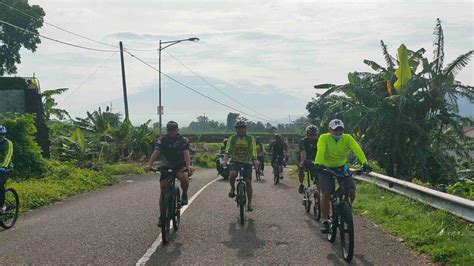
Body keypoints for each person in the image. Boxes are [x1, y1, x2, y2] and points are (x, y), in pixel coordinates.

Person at [314, 119, 371, 232]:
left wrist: (365, 163)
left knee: (351, 191)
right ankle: (325, 220)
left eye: (340, 130)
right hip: (325, 168)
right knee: (326, 193)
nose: (338, 133)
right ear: (330, 130)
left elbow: (357, 149)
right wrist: (318, 164)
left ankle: (344, 212)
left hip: (341, 167)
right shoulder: (324, 138)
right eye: (335, 130)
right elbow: (321, 150)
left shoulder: (347, 138)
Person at [145, 121, 193, 226]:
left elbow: (186, 154)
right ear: (167, 130)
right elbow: (156, 152)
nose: (171, 132)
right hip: (166, 166)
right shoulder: (162, 140)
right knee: (163, 189)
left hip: (180, 165)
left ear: (177, 130)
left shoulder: (183, 140)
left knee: (184, 178)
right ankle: (162, 216)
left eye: (173, 130)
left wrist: (188, 165)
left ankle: (184, 194)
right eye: (169, 130)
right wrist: (149, 164)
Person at [223, 119, 259, 212]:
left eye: (242, 128)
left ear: (245, 129)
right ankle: (232, 188)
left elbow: (253, 149)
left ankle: (249, 203)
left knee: (248, 182)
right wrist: (225, 160)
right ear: (236, 129)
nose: (240, 130)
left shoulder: (250, 138)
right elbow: (227, 150)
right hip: (235, 161)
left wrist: (255, 159)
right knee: (232, 174)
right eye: (238, 128)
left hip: (246, 162)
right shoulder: (232, 138)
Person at [298, 125, 319, 194]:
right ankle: (301, 184)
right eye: (311, 134)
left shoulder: (319, 141)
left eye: (315, 134)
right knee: (301, 169)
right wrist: (303, 161)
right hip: (305, 158)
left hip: (316, 160)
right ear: (307, 134)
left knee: (318, 174)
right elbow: (303, 152)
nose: (313, 136)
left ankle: (316, 188)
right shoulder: (303, 141)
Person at [0, 125, 14, 213]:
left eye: (1, 135)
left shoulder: (8, 143)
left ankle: (2, 205)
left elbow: (8, 156)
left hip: (6, 168)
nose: (0, 137)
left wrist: (3, 166)